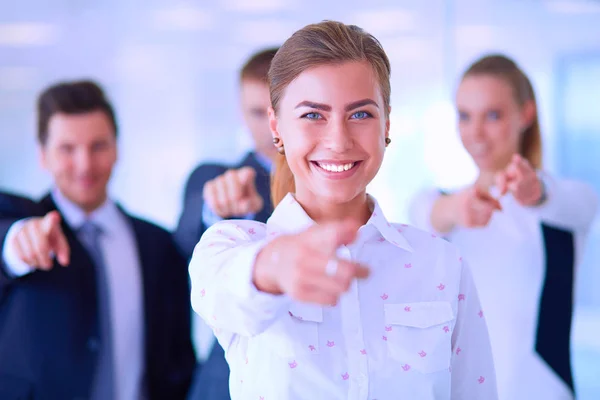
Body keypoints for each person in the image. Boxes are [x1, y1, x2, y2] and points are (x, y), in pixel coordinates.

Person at [189, 21, 498, 400]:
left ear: (387, 123)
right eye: (312, 115)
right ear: (276, 126)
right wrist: (273, 268)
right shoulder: (230, 247)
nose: (338, 141)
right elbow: (226, 292)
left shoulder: (442, 263)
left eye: (360, 114)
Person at [409, 54, 598, 400]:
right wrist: (455, 208)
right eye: (465, 116)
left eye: (492, 115)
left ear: (525, 114)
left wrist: (536, 191)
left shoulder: (562, 205)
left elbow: (576, 204)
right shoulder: (440, 205)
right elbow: (426, 214)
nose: (475, 132)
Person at [0, 80, 196, 400]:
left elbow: (176, 360)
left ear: (117, 148)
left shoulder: (158, 245)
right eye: (67, 149)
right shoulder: (22, 225)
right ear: (42, 155)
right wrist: (17, 242)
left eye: (98, 146)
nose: (85, 165)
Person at [176, 47, 279, 400]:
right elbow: (184, 243)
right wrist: (219, 210)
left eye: (279, 112)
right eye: (256, 113)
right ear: (240, 112)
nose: (271, 128)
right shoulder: (216, 177)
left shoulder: (332, 187)